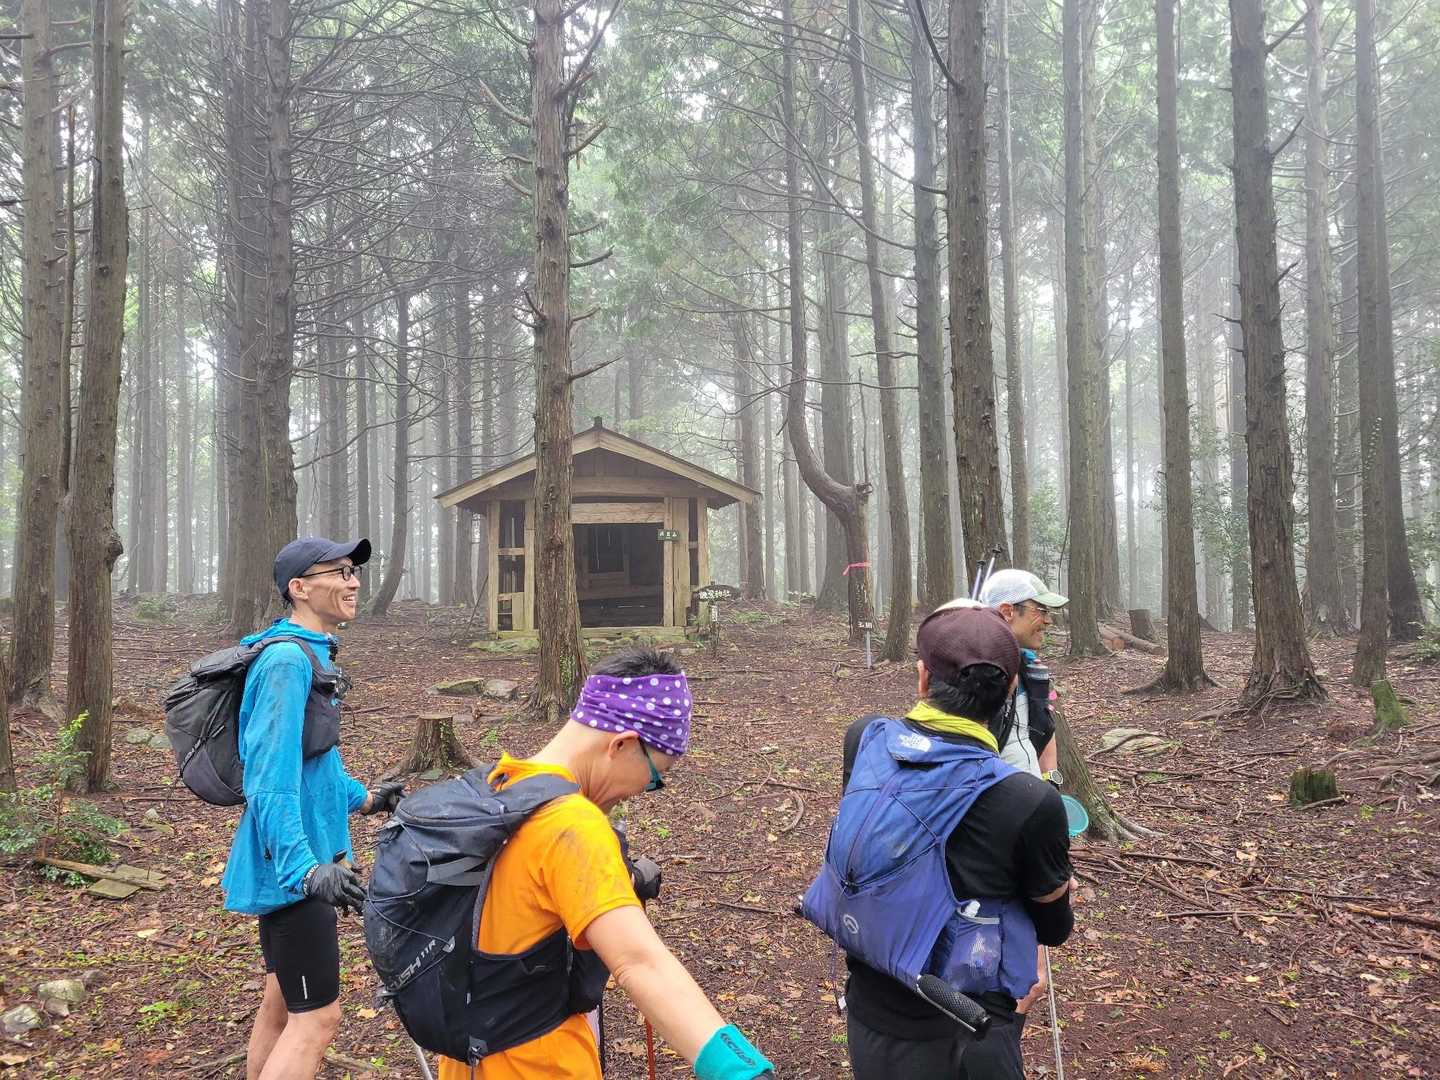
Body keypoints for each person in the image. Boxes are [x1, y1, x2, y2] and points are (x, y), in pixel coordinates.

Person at [435, 647, 774, 1080]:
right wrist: (739, 1069)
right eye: (654, 777)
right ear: (622, 744)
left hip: (465, 1061)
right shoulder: (572, 823)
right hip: (543, 1065)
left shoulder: (496, 786)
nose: (641, 792)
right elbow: (639, 962)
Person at [812, 605, 1075, 1079]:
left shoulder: (865, 738)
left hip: (869, 1009)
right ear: (1011, 689)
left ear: (922, 679)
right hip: (969, 1034)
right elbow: (1054, 927)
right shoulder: (1030, 800)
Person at [221, 537, 405, 1080]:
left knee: (280, 1005)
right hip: (295, 871)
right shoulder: (285, 661)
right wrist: (305, 870)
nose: (353, 582)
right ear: (299, 588)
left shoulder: (311, 653)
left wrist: (366, 798)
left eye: (354, 571)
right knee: (318, 1019)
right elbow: (268, 779)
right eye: (339, 573)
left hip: (308, 861)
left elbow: (315, 764)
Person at [975, 568, 1070, 782]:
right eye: (1041, 611)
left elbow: (1043, 724)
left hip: (1031, 793)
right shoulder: (971, 674)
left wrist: (1050, 782)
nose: (1048, 621)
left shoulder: (1029, 666)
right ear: (1007, 611)